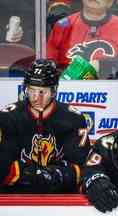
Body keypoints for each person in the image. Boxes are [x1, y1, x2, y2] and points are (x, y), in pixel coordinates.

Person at [0, 58, 91, 193]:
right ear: (25, 89)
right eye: (32, 91)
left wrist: (55, 175)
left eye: (43, 92)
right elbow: (3, 167)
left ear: (54, 91)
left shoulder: (73, 118)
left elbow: (82, 168)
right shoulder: (8, 117)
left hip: (60, 198)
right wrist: (41, 175)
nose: (36, 98)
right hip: (16, 196)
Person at [47, 0, 118, 79]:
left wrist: (99, 65)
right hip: (70, 96)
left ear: (110, 2)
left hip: (112, 95)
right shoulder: (62, 26)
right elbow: (49, 66)